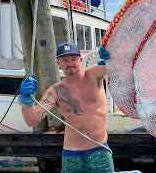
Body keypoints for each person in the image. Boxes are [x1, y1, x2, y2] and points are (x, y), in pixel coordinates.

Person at [18, 42, 114, 172]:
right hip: (72, 153)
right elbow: (32, 120)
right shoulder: (56, 91)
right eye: (65, 60)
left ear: (80, 60)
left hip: (99, 149)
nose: (70, 63)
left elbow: (118, 68)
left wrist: (112, 56)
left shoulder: (94, 74)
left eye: (73, 59)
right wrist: (26, 101)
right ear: (58, 63)